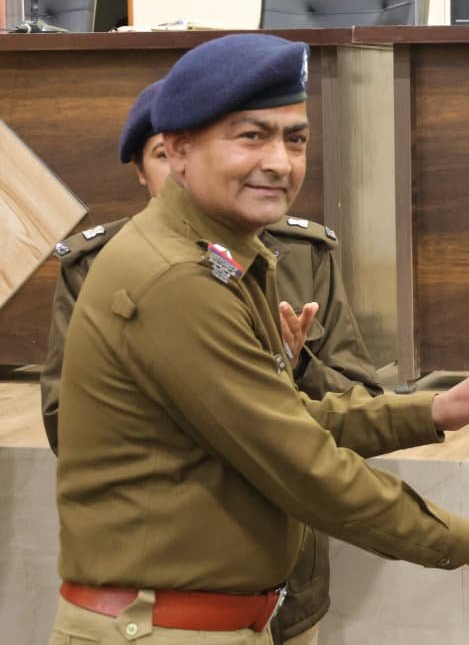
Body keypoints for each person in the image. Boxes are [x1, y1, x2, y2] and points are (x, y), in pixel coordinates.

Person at [49, 33, 469, 645]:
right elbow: (304, 466)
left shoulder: (222, 256)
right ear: (177, 149)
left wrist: (436, 410)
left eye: (295, 139)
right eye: (250, 136)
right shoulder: (177, 279)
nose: (280, 163)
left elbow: (289, 418)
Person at [41, 79, 385, 645]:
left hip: (289, 587)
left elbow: (361, 400)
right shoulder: (101, 266)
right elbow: (64, 423)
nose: (180, 173)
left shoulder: (302, 256)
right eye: (163, 155)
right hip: (168, 590)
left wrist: (292, 367)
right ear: (143, 169)